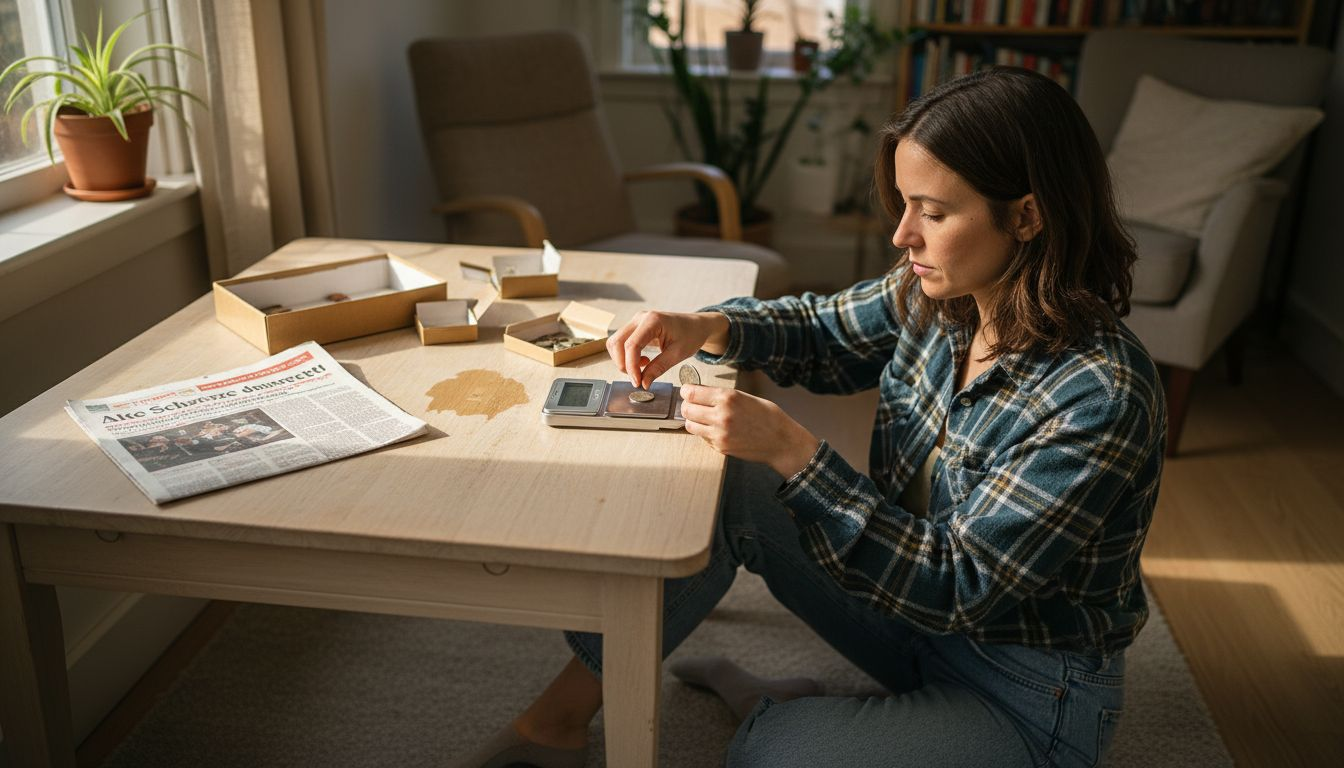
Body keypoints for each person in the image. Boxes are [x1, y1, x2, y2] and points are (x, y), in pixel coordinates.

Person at [455, 66, 1166, 768]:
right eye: (905, 205)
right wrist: (702, 326)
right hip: (910, 619)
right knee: (728, 478)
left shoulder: (1098, 394)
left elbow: (960, 586)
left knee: (770, 751)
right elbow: (823, 328)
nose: (902, 236)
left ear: (1027, 215)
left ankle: (797, 714)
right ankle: (556, 723)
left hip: (1026, 690)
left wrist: (797, 452)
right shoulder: (942, 294)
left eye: (934, 213)